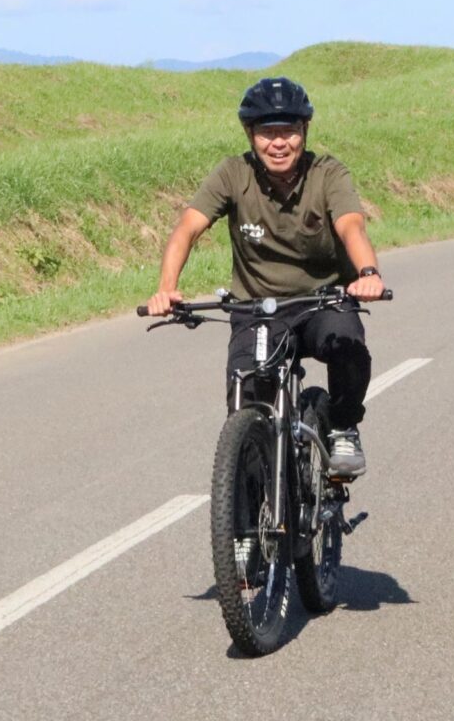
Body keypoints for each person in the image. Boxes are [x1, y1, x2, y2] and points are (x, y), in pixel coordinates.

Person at [148, 76, 386, 478]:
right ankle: (249, 521)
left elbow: (351, 227)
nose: (279, 143)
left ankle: (343, 425)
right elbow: (186, 228)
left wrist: (368, 273)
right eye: (267, 133)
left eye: (289, 131)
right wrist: (166, 288)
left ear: (304, 132)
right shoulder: (232, 174)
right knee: (248, 403)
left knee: (347, 344)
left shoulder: (327, 174)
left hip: (322, 300)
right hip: (258, 309)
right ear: (250, 135)